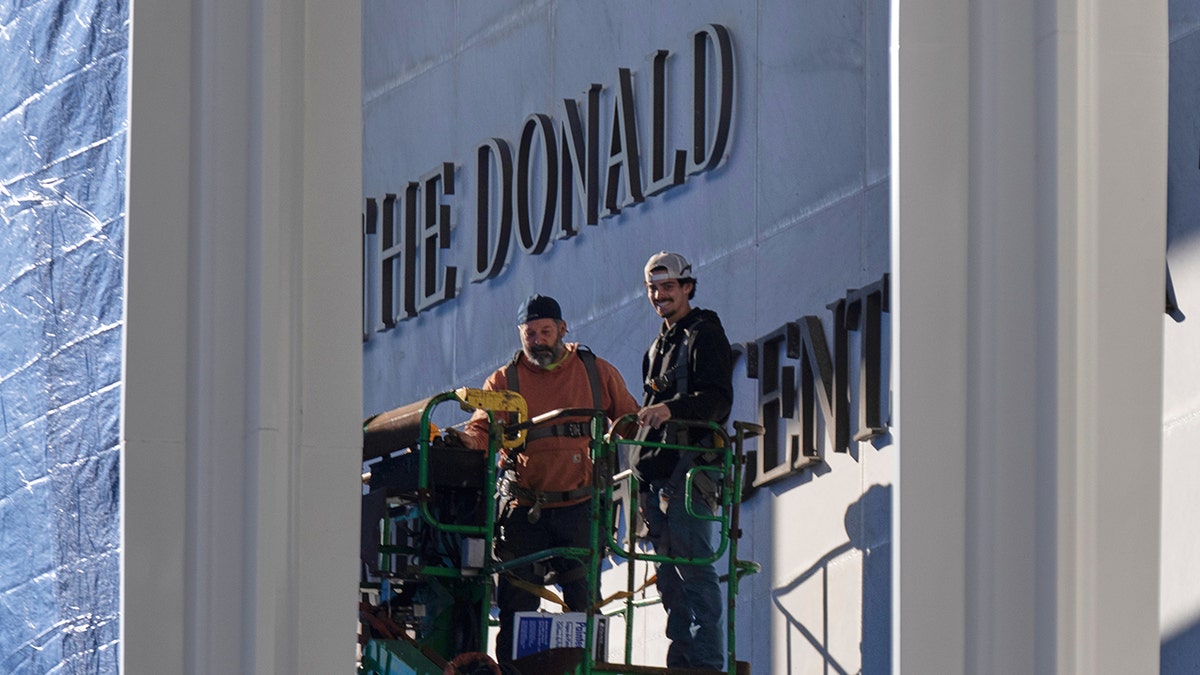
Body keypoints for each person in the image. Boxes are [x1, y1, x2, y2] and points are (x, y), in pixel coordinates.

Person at [456, 293, 639, 664]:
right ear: (520, 335)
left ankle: (584, 670)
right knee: (516, 606)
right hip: (525, 510)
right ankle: (513, 672)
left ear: (562, 329)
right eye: (530, 334)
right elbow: (481, 432)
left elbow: (630, 422)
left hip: (581, 507)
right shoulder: (503, 381)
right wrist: (462, 440)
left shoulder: (596, 372)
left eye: (545, 332)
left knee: (584, 604)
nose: (538, 341)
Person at [631, 251, 734, 671]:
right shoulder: (658, 347)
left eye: (668, 287)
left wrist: (671, 409)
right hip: (656, 478)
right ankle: (683, 659)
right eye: (653, 288)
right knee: (670, 581)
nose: (660, 295)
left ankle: (705, 663)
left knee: (694, 570)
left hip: (688, 473)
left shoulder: (703, 335)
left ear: (688, 287)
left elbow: (718, 400)